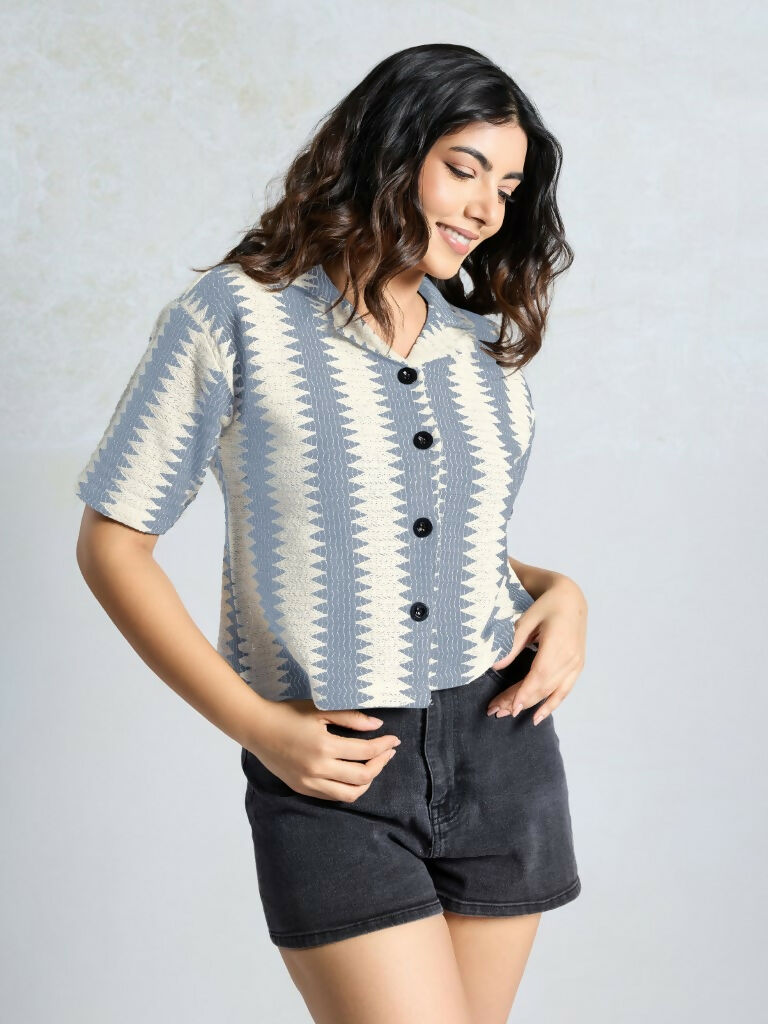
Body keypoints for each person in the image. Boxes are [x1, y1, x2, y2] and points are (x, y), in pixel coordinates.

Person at [74, 42, 588, 1024]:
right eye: (465, 169)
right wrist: (257, 725)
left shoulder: (483, 354)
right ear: (391, 151)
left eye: (508, 188)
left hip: (502, 746)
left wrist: (563, 593)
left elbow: (445, 545)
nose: (487, 209)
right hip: (335, 762)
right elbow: (111, 544)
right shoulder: (235, 317)